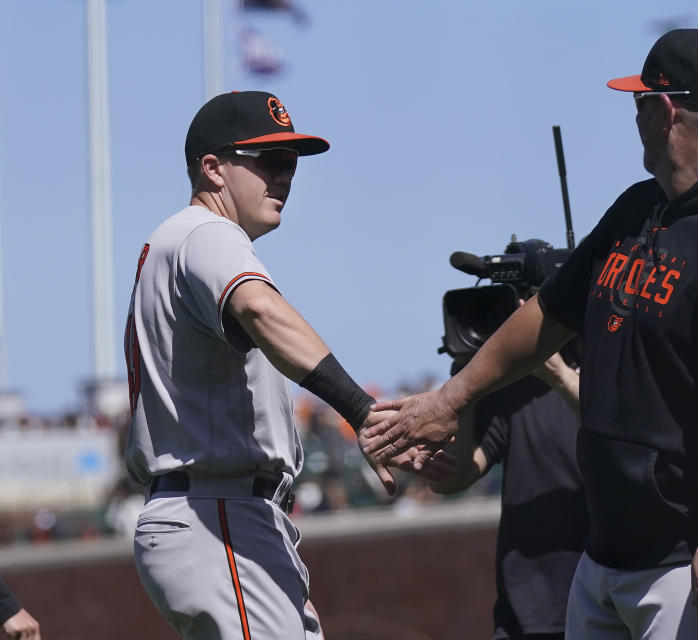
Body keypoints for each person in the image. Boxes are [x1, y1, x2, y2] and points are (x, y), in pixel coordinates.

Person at [364, 28, 698, 640]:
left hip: (693, 556)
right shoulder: (639, 208)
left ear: (665, 109)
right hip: (606, 554)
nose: (636, 118)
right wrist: (448, 400)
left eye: (638, 103)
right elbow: (548, 313)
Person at [122, 90, 454, 639]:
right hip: (218, 511)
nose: (286, 175)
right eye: (269, 160)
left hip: (219, 511)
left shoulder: (179, 242)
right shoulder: (205, 234)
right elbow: (259, 306)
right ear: (213, 169)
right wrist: (361, 410)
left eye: (292, 162)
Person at [430, 341, 585, 640]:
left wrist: (560, 375)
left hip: (610, 597)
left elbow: (629, 437)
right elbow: (448, 480)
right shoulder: (512, 384)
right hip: (528, 611)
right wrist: (465, 379)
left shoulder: (611, 361)